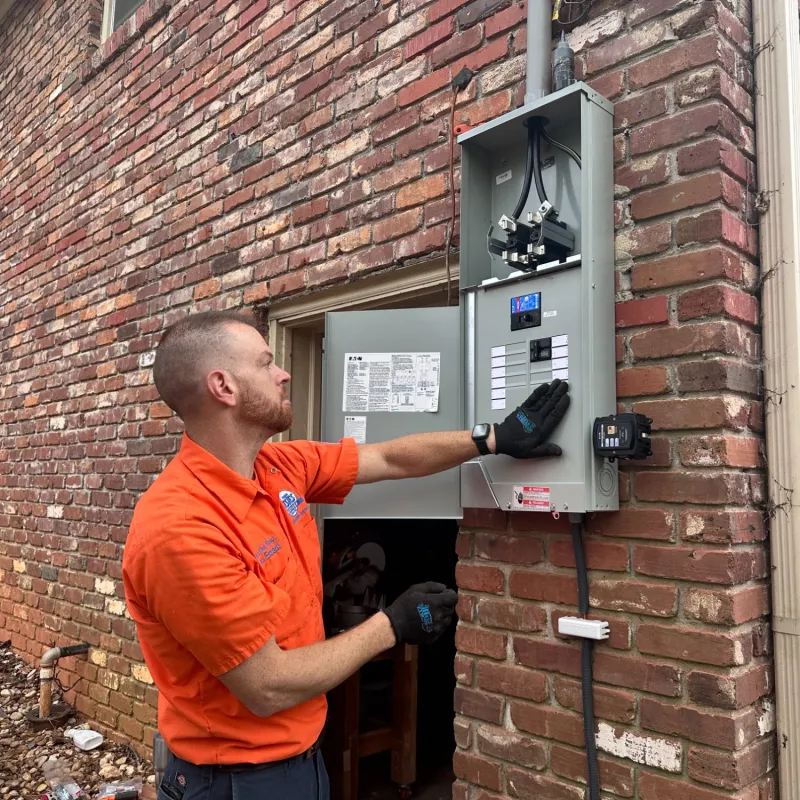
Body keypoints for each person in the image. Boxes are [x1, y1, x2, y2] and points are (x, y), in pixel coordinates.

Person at [122, 311, 570, 800]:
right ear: (223, 387)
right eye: (266, 363)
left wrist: (491, 439)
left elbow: (388, 458)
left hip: (301, 757)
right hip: (235, 780)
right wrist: (391, 625)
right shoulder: (181, 527)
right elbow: (267, 685)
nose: (283, 373)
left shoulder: (279, 466)